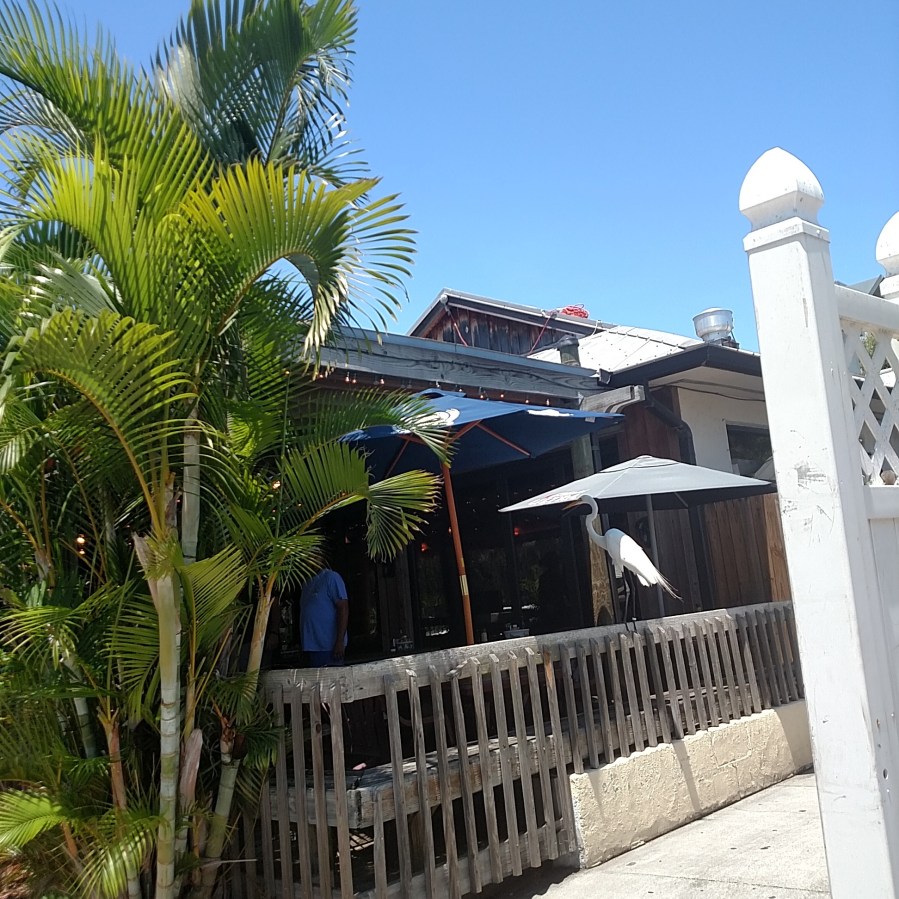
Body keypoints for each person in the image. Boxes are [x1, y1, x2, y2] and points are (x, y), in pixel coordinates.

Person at [299, 567, 349, 666]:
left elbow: (343, 607)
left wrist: (340, 641)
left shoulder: (331, 577)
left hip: (329, 647)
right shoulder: (306, 583)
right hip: (310, 647)